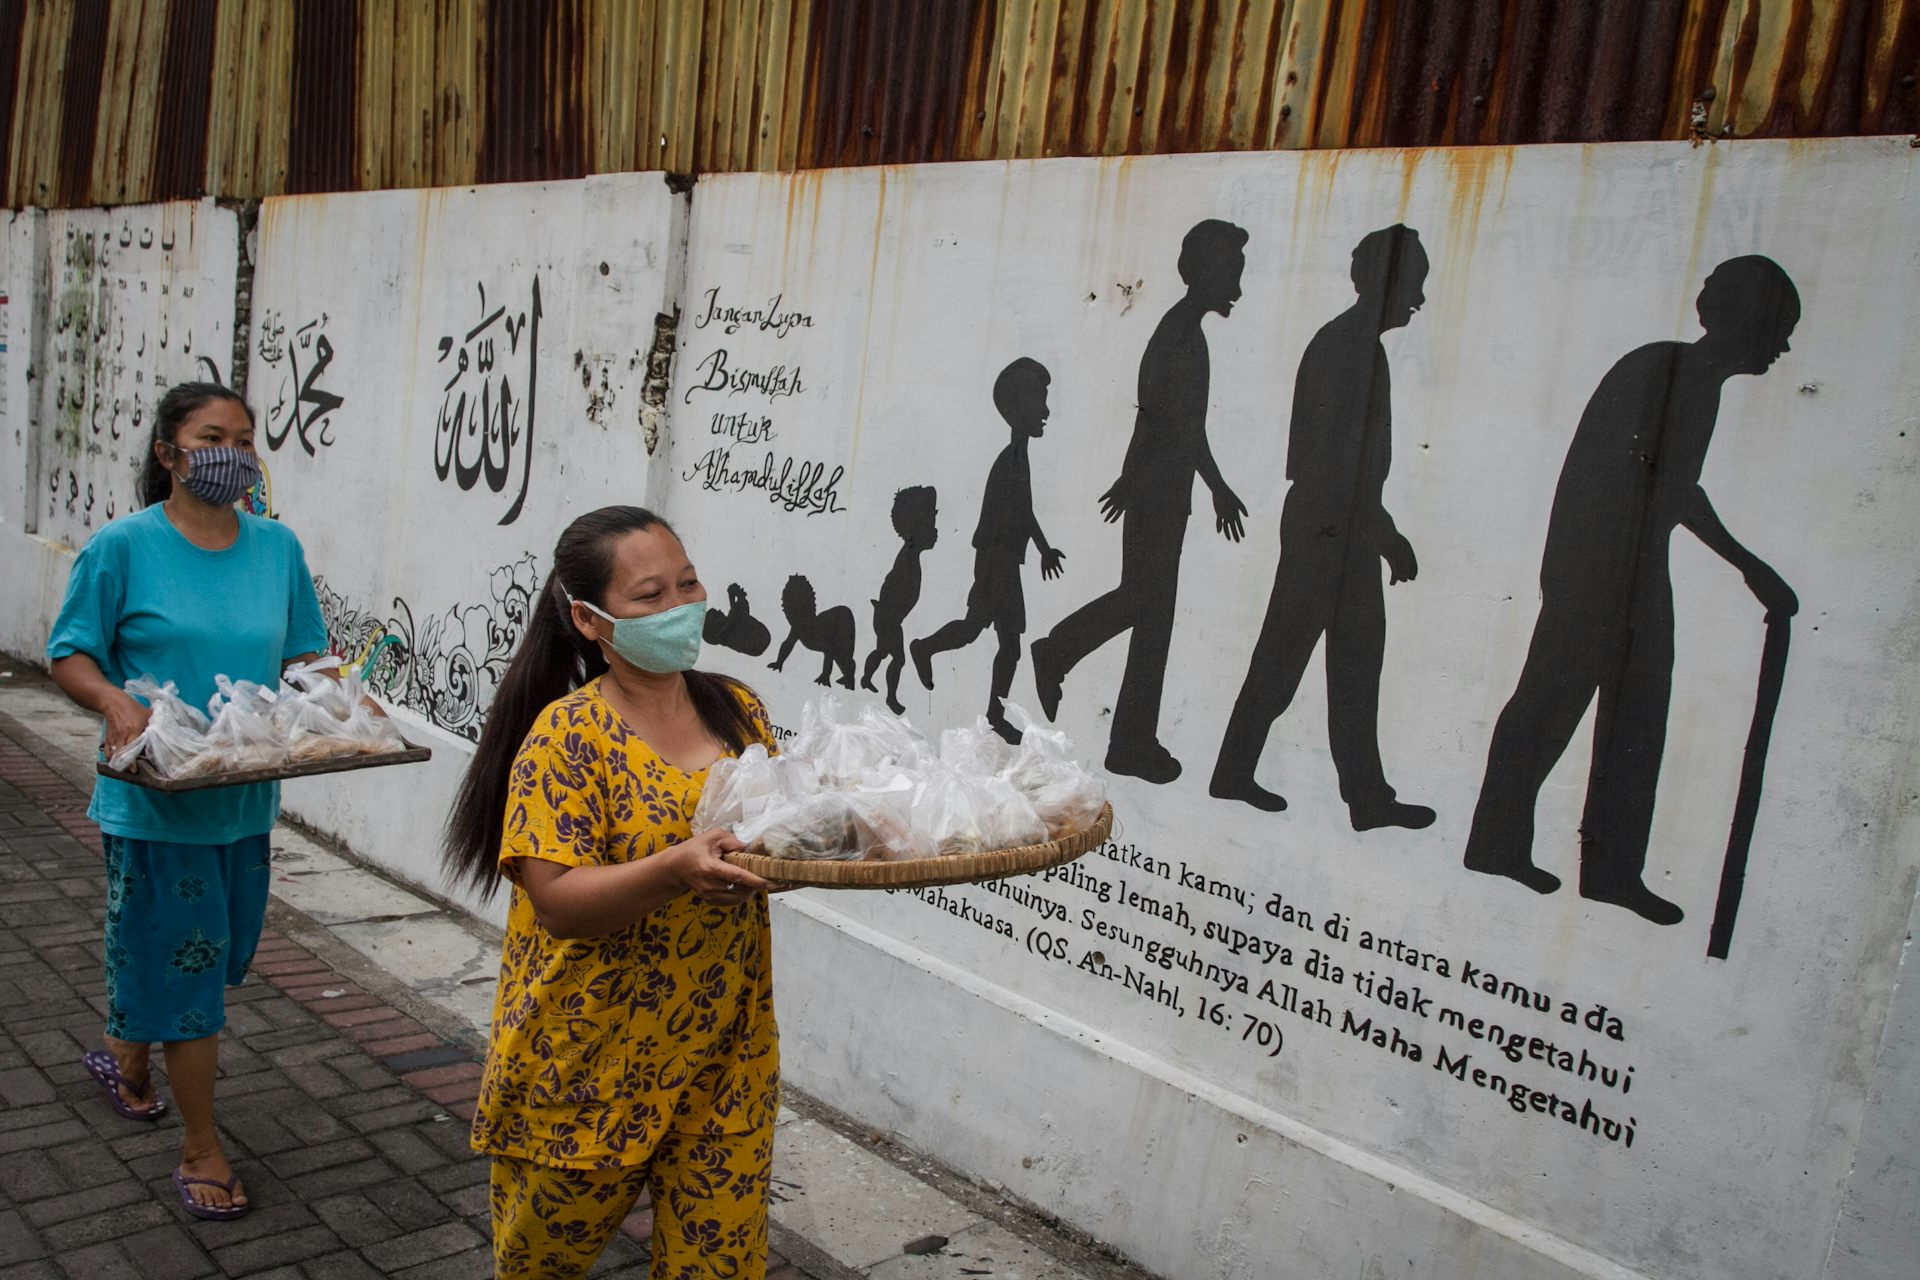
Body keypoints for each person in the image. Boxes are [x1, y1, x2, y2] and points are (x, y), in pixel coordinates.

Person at [443, 505, 781, 1279]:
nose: (680, 607)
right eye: (649, 596)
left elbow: (776, 840)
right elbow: (558, 904)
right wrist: (676, 868)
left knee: (720, 1267)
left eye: (687, 583)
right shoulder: (566, 739)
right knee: (540, 1268)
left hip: (722, 1055)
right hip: (587, 1060)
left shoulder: (739, 711)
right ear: (590, 620)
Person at [47, 381, 331, 1220]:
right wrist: (112, 702)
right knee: (192, 967)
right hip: (156, 801)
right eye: (214, 438)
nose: (234, 456)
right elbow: (71, 654)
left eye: (246, 441)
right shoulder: (123, 547)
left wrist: (345, 700)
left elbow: (306, 655)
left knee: (214, 950)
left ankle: (126, 1053)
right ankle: (202, 1146)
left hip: (242, 798)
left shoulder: (277, 548)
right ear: (169, 452)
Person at [1463, 257, 1802, 925]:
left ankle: (1611, 871)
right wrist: (1749, 567)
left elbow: (1668, 488)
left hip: (1631, 565)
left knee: (1637, 712)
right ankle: (1500, 846)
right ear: (1746, 321)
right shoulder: (1671, 372)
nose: (1783, 346)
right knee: (1551, 702)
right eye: (1779, 328)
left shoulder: (1691, 376)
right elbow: (1670, 488)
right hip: (1597, 565)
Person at [1211, 226, 1436, 831]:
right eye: (1415, 281)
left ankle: (1365, 798)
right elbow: (1335, 461)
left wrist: (1376, 531)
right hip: (1328, 526)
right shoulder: (1348, 347)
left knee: (1357, 660)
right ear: (1387, 280)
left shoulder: (1357, 344)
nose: (1419, 297)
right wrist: (1384, 534)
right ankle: (1237, 773)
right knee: (1287, 657)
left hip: (1342, 525)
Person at [1031, 221, 1250, 782]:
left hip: (1161, 490)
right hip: (1160, 492)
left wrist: (1143, 478)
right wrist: (1215, 486)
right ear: (1204, 271)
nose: (1238, 289)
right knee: (1147, 605)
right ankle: (1060, 655)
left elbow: (1158, 420)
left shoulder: (1182, 331)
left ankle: (1129, 740)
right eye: (1231, 275)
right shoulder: (1179, 335)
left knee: (1152, 613)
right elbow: (1172, 424)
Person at [913, 358, 1063, 742]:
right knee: (985, 633)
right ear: (1017, 408)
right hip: (997, 562)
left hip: (1002, 561)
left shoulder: (1018, 457)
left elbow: (1024, 512)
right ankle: (927, 650)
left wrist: (1043, 549)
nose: (1046, 411)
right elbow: (1015, 514)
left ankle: (993, 709)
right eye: (1039, 401)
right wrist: (1028, 554)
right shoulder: (1010, 460)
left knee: (999, 638)